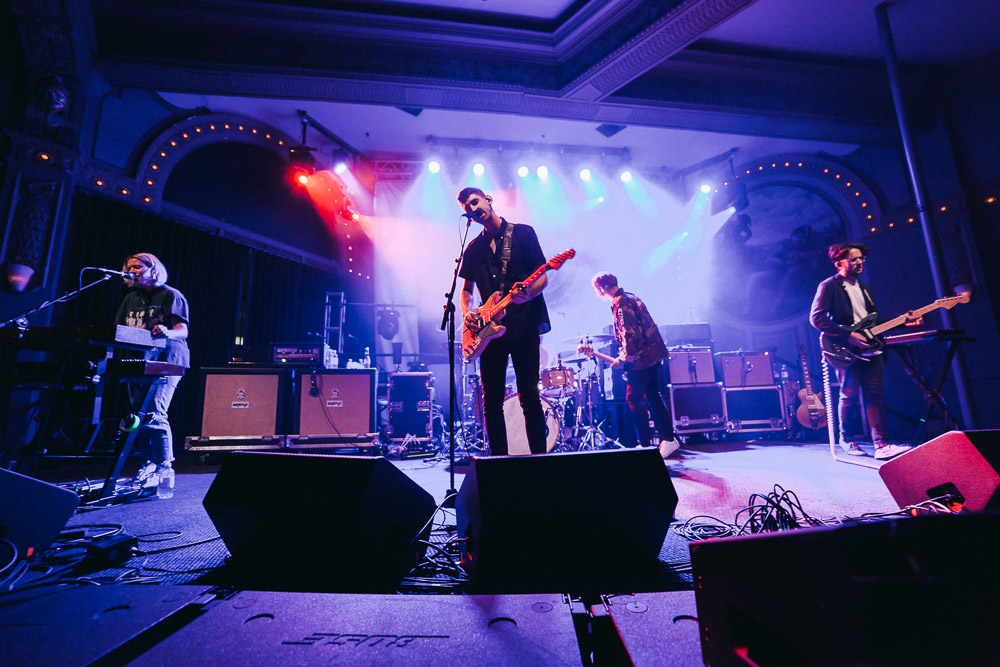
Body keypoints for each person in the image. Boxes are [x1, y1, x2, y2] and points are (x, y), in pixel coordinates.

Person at [457, 187, 550, 455]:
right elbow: (465, 291)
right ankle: (498, 462)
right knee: (491, 401)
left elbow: (542, 275)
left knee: (529, 397)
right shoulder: (473, 248)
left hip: (524, 326)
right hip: (489, 332)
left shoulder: (523, 233)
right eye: (467, 208)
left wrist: (528, 294)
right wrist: (468, 312)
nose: (472, 209)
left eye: (474, 202)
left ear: (488, 199)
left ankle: (539, 461)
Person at [809, 243, 910, 460]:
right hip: (845, 349)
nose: (859, 262)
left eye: (861, 258)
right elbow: (817, 318)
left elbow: (873, 319)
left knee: (875, 396)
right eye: (854, 259)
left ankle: (882, 445)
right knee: (849, 396)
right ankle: (847, 440)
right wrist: (847, 335)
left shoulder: (866, 289)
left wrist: (902, 321)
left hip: (871, 349)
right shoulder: (828, 286)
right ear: (839, 263)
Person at [115, 252, 190, 491]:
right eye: (129, 267)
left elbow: (182, 330)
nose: (132, 271)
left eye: (137, 266)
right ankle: (146, 464)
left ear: (153, 268)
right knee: (139, 415)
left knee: (155, 412)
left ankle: (164, 466)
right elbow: (119, 330)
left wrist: (168, 332)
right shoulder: (130, 299)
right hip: (138, 361)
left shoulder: (171, 295)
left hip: (168, 360)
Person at [590, 273, 678, 458]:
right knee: (653, 396)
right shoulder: (630, 297)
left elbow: (630, 335)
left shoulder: (621, 303)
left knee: (633, 397)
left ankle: (647, 444)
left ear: (601, 288)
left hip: (642, 358)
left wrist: (624, 359)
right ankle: (666, 439)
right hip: (652, 354)